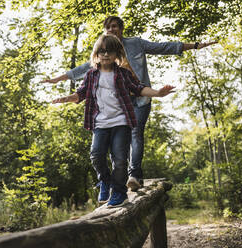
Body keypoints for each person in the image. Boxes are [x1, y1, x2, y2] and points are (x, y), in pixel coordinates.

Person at [42, 16, 216, 191]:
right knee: (115, 142)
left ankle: (134, 175)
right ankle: (117, 178)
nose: (111, 30)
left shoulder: (136, 44)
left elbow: (163, 47)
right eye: (108, 27)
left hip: (140, 98)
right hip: (118, 103)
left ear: (121, 28)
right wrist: (57, 79)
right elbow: (82, 69)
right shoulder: (104, 50)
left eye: (115, 26)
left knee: (136, 133)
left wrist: (194, 45)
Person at [48, 34, 175, 207]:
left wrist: (158, 93)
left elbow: (139, 89)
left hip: (121, 122)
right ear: (96, 54)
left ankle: (119, 192)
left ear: (117, 54)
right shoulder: (91, 75)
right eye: (102, 51)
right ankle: (105, 181)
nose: (106, 54)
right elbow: (80, 94)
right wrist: (65, 99)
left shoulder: (123, 73)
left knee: (120, 159)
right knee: (96, 155)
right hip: (100, 124)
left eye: (110, 51)